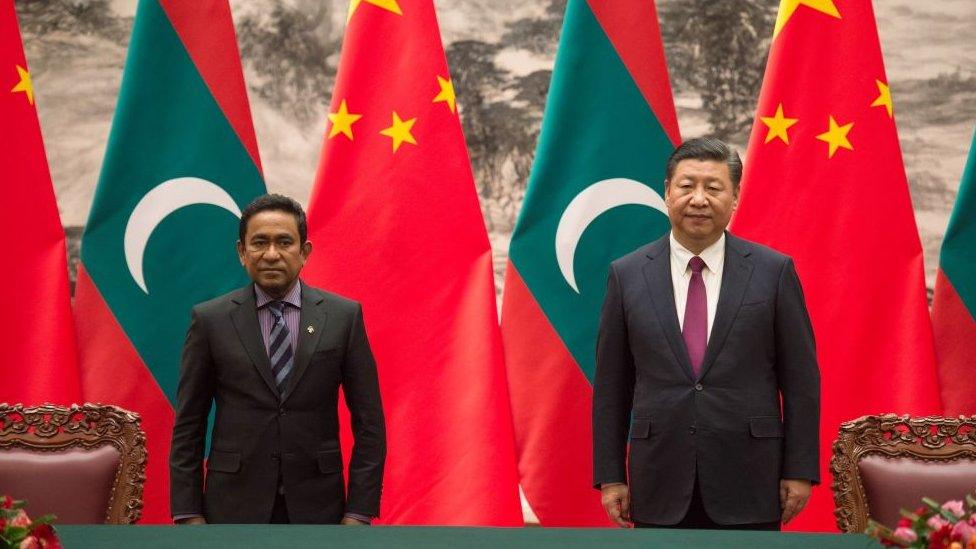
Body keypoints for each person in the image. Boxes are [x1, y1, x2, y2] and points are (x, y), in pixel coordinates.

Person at [592, 137, 820, 530]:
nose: (699, 199)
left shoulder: (773, 271)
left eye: (713, 188)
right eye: (686, 186)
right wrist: (611, 475)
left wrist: (799, 469)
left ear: (733, 199)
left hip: (750, 477)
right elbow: (612, 385)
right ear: (667, 192)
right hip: (658, 476)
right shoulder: (627, 275)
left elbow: (800, 380)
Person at [170, 194, 385, 525]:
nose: (272, 254)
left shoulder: (344, 317)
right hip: (232, 506)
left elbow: (370, 424)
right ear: (242, 252)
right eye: (259, 243)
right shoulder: (210, 320)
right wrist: (188, 513)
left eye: (284, 242)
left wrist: (359, 511)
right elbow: (189, 423)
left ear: (304, 252)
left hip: (320, 507)